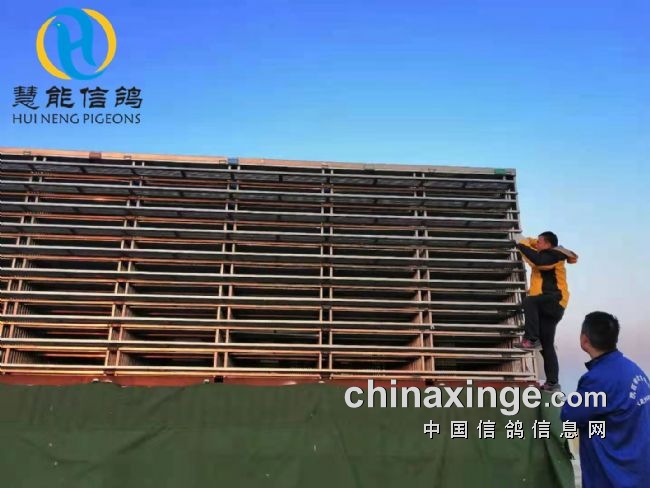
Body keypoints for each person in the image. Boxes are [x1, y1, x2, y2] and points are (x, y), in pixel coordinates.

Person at [561, 312, 650, 488]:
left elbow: (569, 415)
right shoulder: (635, 371)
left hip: (613, 478)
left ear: (584, 340)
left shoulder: (598, 379)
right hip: (639, 475)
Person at [513, 231, 578, 392]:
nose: (537, 244)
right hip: (547, 305)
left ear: (548, 244)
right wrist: (527, 240)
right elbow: (535, 254)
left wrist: (520, 244)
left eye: (540, 242)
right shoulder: (548, 253)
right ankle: (552, 383)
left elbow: (538, 261)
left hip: (554, 300)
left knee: (529, 301)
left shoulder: (554, 254)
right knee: (547, 345)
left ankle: (531, 339)